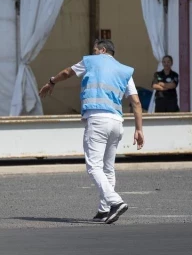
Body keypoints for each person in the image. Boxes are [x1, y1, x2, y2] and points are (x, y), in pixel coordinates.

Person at [38, 39, 144, 224]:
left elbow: (66, 72)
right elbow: (135, 102)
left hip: (97, 120)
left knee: (94, 166)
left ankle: (115, 201)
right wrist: (139, 129)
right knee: (108, 168)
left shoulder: (91, 61)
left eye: (95, 49)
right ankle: (104, 210)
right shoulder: (125, 70)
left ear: (102, 50)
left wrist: (51, 81)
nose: (93, 52)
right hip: (117, 122)